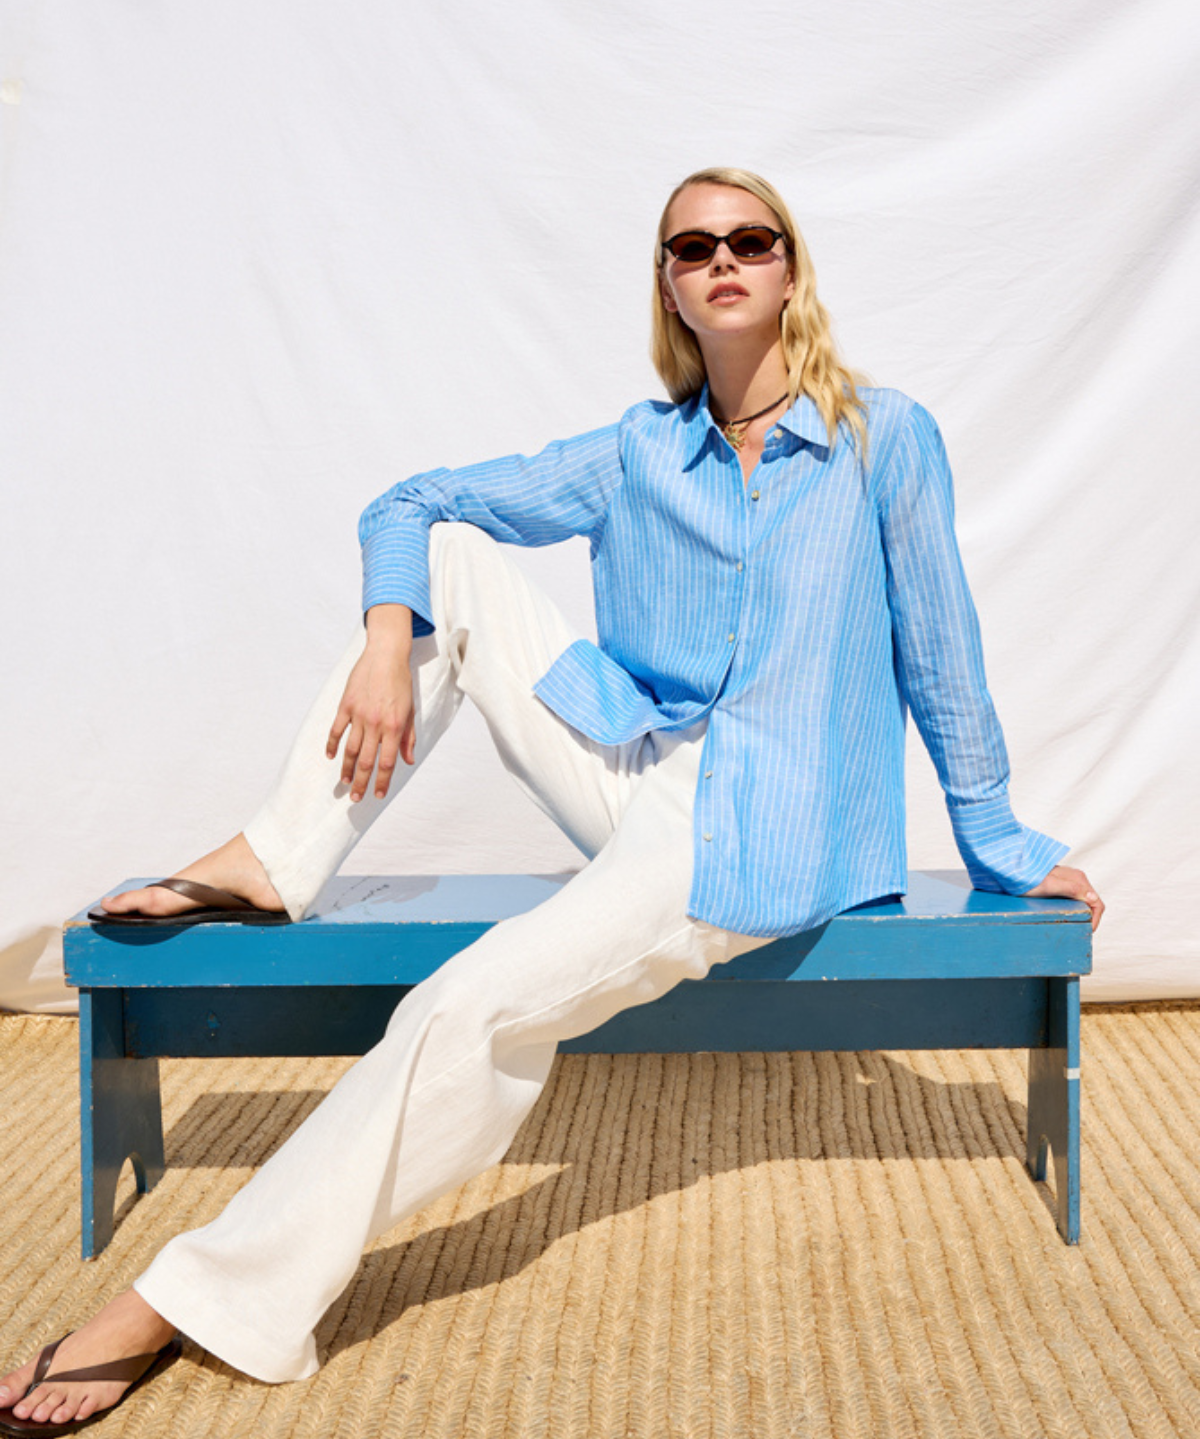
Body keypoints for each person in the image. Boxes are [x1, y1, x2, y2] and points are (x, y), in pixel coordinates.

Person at [0, 166, 1103, 1434]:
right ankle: (275, 855)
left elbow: (942, 652)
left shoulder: (883, 440)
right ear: (671, 286)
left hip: (760, 832)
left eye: (753, 240)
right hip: (638, 760)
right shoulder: (641, 451)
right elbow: (410, 501)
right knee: (451, 554)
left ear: (791, 268)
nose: (724, 260)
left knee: (463, 1004)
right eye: (694, 248)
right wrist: (384, 639)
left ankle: (187, 1298)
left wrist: (1004, 841)